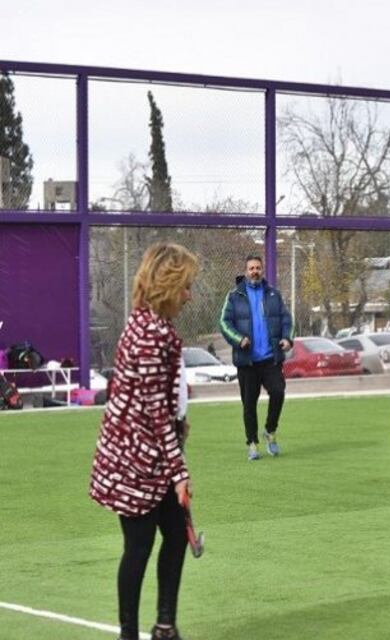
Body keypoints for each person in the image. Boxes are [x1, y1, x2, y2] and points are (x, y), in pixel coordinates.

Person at [89, 243, 199, 640]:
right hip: (134, 462)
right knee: (138, 547)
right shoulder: (151, 333)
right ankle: (129, 634)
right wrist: (180, 471)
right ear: (168, 285)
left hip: (149, 454)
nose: (189, 295)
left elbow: (157, 402)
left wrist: (177, 422)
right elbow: (154, 414)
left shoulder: (148, 322)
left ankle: (164, 625)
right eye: (185, 286)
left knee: (175, 535)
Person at [219, 254, 293, 461]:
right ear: (245, 271)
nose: (255, 271)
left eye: (258, 268)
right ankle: (252, 443)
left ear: (262, 270)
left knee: (278, 393)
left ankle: (270, 430)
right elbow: (224, 323)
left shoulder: (273, 295)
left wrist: (287, 339)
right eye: (251, 268)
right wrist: (238, 339)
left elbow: (287, 319)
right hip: (247, 361)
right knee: (249, 405)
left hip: (270, 358)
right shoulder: (234, 296)